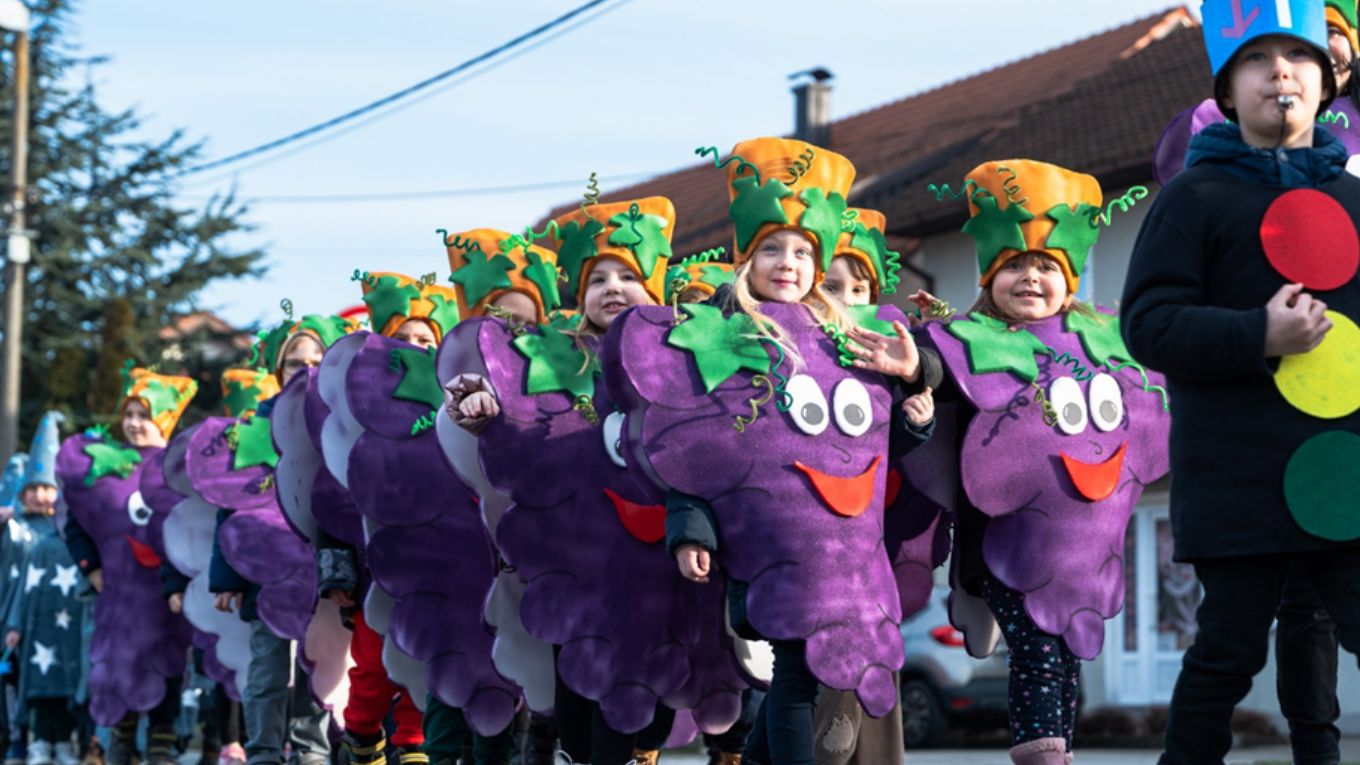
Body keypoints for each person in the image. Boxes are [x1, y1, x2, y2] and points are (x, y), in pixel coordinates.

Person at [1121, 2, 1360, 762]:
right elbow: (1150, 323)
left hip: (1344, 473)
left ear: (1327, 85)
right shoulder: (1194, 197)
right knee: (1227, 654)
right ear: (1226, 93)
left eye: (1299, 57)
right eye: (1258, 60)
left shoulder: (1356, 200)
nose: (1281, 71)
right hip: (1238, 474)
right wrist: (1258, 334)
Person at [911, 160, 1171, 764]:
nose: (1030, 278)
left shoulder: (1100, 346)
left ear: (1071, 279)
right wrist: (919, 359)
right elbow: (931, 375)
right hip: (1003, 543)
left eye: (1046, 267)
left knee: (1066, 655)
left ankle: (1061, 752)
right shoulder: (965, 342)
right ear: (989, 277)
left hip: (1080, 548)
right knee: (1036, 655)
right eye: (1015, 266)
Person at [209, 314, 351, 765]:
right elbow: (228, 502)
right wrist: (227, 575)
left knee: (318, 665)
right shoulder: (254, 429)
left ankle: (310, 749)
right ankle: (265, 750)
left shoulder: (340, 426)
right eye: (294, 362)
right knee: (268, 669)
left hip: (322, 573)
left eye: (316, 360)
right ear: (278, 370)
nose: (305, 371)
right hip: (266, 575)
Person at [58, 365, 198, 765]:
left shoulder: (178, 470)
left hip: (165, 595)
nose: (135, 423)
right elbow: (77, 522)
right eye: (130, 414)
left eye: (145, 414)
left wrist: (181, 584)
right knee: (120, 668)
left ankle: (160, 746)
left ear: (165, 420)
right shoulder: (109, 465)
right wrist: (92, 568)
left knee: (166, 664)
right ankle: (119, 744)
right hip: (121, 597)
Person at [3, 413, 83, 765]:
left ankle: (63, 740)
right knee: (21, 684)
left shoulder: (68, 535)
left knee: (59, 680)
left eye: (46, 486)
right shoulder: (15, 528)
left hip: (61, 623)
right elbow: (16, 581)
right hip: (21, 622)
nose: (39, 495)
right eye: (32, 488)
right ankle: (24, 740)